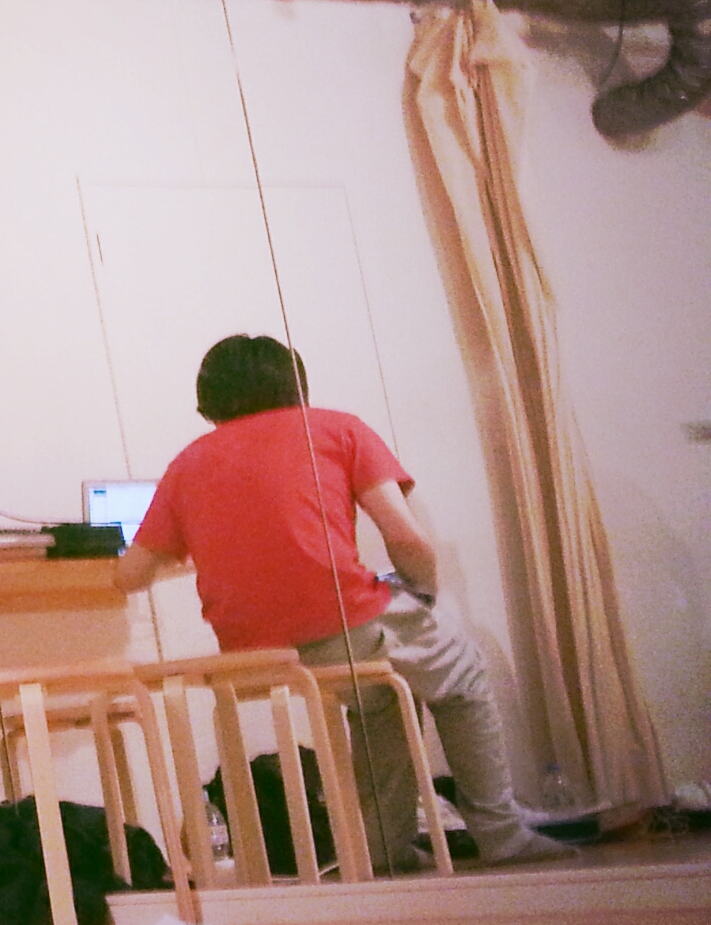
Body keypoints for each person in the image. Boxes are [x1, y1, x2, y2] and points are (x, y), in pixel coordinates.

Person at [114, 334, 570, 873]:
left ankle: (383, 849)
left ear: (208, 402)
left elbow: (129, 575)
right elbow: (407, 539)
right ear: (296, 386)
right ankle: (501, 832)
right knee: (462, 671)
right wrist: (421, 592)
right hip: (340, 624)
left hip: (249, 652)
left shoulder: (186, 464)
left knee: (380, 699)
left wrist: (206, 547)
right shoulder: (338, 430)